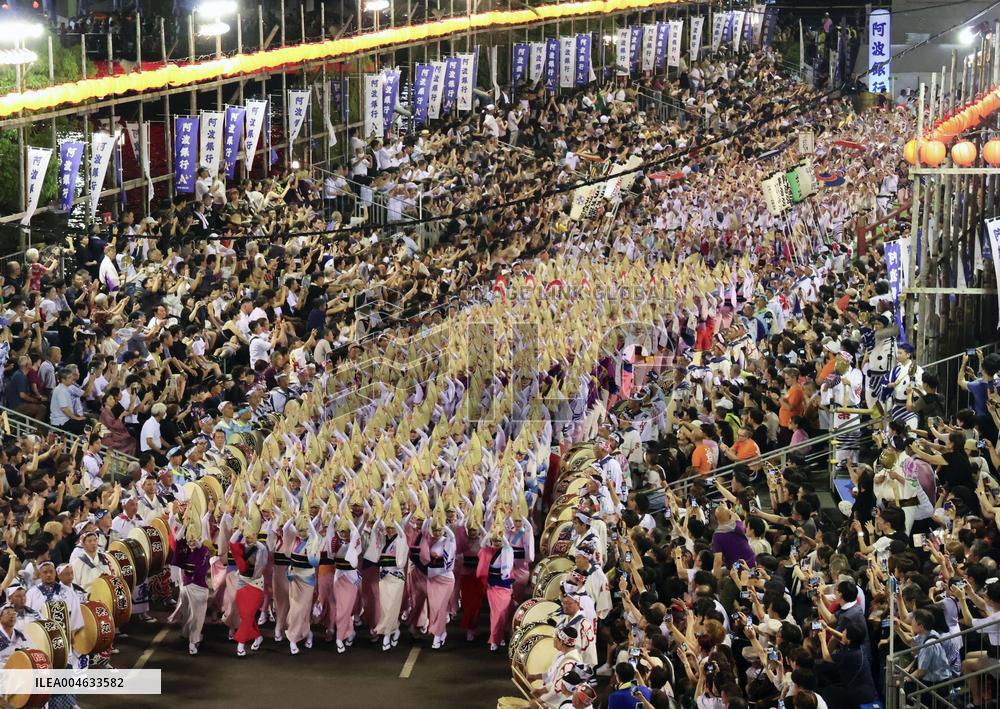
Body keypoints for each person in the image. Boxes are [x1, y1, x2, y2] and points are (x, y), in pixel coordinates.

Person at [229, 527, 268, 657]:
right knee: (245, 615)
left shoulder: (261, 548)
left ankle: (240, 644)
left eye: (251, 536)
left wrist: (256, 542)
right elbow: (232, 543)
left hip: (256, 584)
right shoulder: (241, 547)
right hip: (242, 582)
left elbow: (262, 559)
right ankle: (258, 637)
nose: (248, 539)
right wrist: (240, 530)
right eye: (247, 537)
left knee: (249, 614)